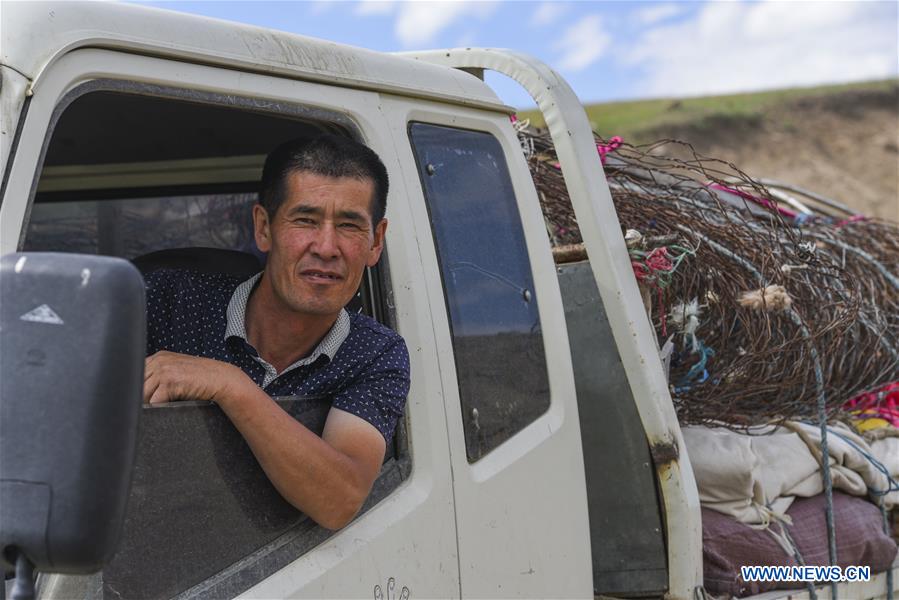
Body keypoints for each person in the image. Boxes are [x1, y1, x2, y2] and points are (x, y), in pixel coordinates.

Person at [142, 134, 410, 530]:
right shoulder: (167, 302)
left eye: (350, 225)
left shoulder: (375, 353)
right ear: (264, 228)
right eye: (305, 220)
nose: (326, 246)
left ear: (376, 242)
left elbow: (338, 498)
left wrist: (229, 385)